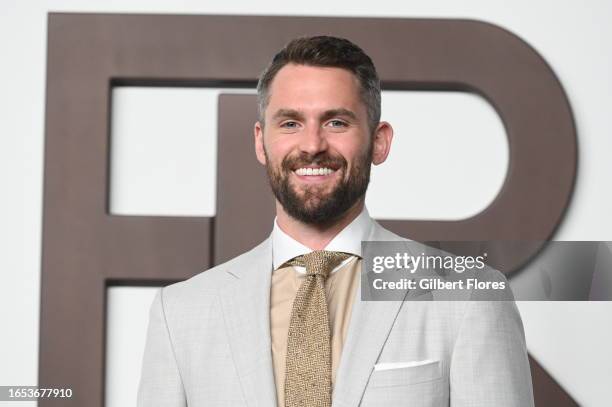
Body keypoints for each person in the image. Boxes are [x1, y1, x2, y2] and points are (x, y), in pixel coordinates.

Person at [137, 35, 534, 406]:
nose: (312, 145)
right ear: (261, 141)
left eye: (336, 122)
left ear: (379, 141)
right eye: (291, 123)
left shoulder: (467, 298)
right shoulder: (181, 313)